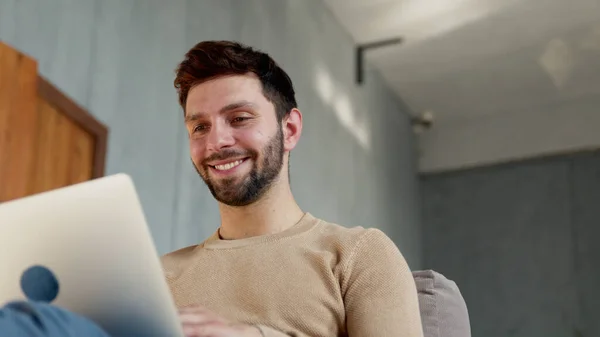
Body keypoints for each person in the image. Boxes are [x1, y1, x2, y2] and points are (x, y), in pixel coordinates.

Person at [161, 40, 424, 337]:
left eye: (239, 119)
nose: (216, 142)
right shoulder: (157, 278)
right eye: (199, 127)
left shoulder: (358, 255)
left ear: (290, 130)